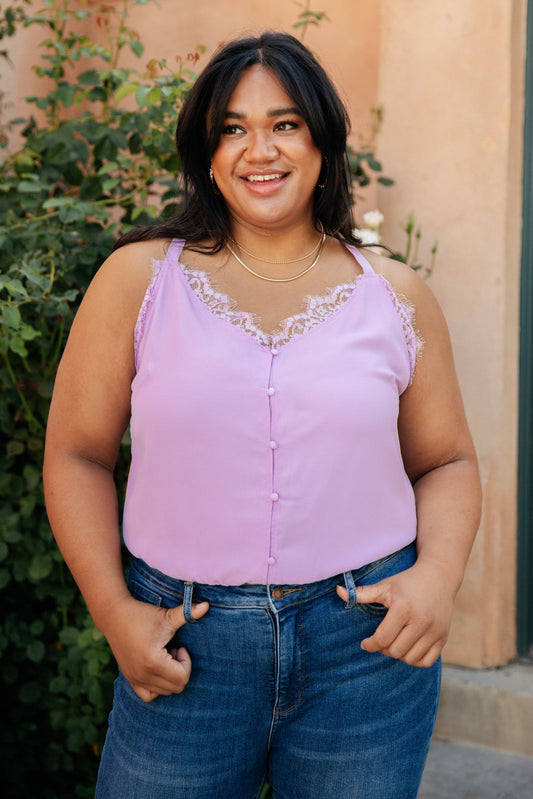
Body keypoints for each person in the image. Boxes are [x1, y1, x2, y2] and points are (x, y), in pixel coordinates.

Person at [43, 31, 481, 799]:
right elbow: (77, 453)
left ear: (322, 141)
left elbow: (445, 460)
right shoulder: (138, 281)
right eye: (232, 128)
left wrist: (437, 578)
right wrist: (115, 611)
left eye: (284, 124)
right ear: (206, 154)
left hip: (365, 648)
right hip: (180, 647)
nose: (259, 149)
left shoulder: (395, 294)